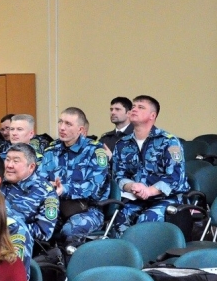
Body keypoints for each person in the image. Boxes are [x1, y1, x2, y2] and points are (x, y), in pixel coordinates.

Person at [112, 95, 188, 234]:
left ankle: (147, 256)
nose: (134, 109)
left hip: (168, 199)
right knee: (120, 217)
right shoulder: (122, 144)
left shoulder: (169, 142)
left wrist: (149, 191)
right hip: (136, 198)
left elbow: (175, 178)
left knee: (146, 220)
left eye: (141, 107)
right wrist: (131, 186)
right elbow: (118, 175)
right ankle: (124, 255)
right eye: (133, 106)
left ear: (152, 115)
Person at [39, 107, 110, 241]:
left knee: (70, 230)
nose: (62, 127)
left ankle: (72, 260)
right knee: (31, 223)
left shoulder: (95, 151)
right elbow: (40, 179)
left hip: (87, 209)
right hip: (56, 205)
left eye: (68, 124)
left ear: (81, 130)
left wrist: (64, 189)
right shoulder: (51, 150)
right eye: (60, 122)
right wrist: (48, 186)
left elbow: (93, 187)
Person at [2, 143, 59, 243]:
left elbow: (44, 232)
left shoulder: (45, 191)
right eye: (7, 159)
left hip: (18, 245)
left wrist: (7, 228)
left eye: (16, 161)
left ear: (31, 167)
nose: (9, 165)